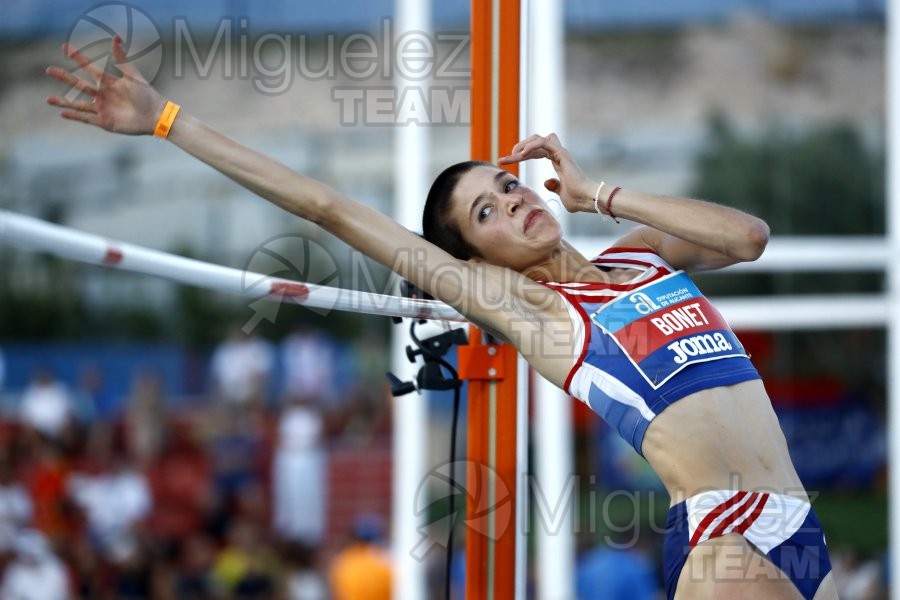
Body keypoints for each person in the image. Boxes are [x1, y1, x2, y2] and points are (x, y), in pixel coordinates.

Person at [45, 36, 837, 599]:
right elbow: (329, 207)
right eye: (487, 210)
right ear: (479, 262)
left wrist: (595, 193)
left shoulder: (640, 257)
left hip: (801, 527)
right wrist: (166, 119)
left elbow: (748, 236)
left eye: (507, 182)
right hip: (722, 534)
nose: (516, 199)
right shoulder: (527, 306)